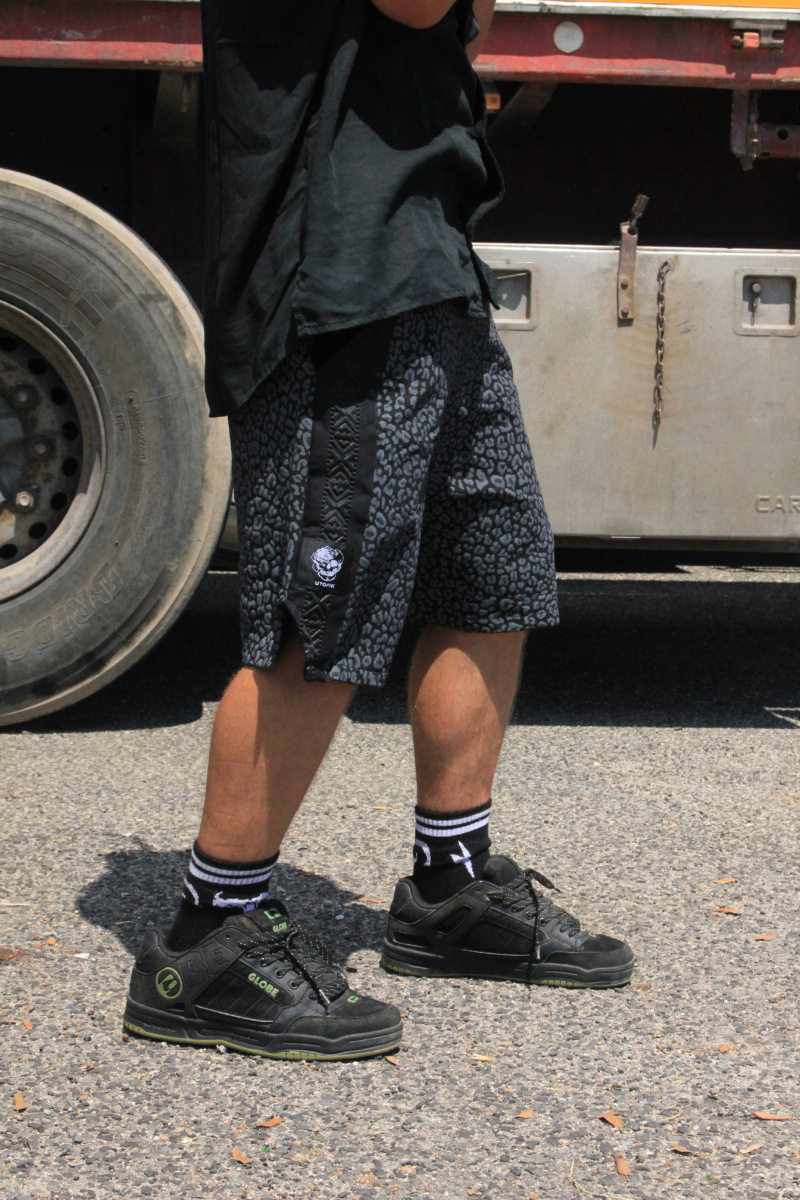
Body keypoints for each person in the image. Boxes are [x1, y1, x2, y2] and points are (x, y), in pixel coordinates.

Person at [124, 0, 634, 1061]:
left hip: (428, 260)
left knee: (489, 577)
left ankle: (451, 887)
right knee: (320, 617)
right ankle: (206, 937)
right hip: (339, 280)